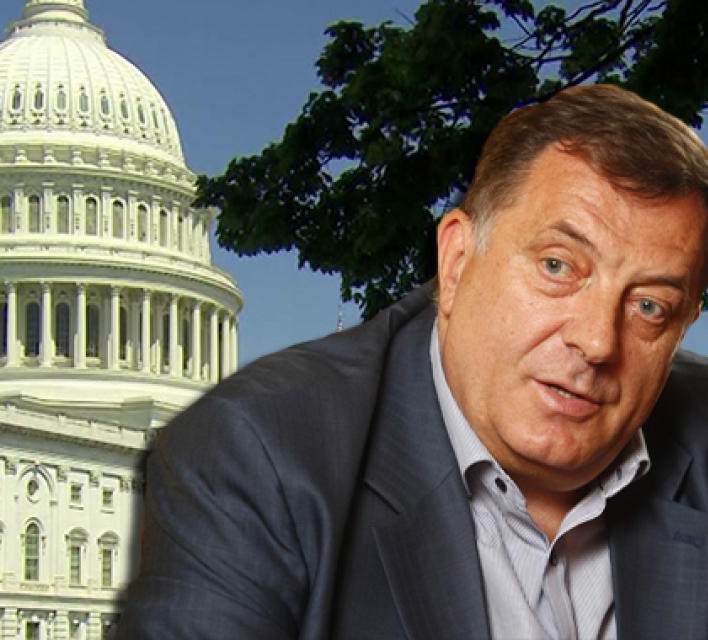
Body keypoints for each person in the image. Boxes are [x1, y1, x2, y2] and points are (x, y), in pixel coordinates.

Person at [116, 85, 708, 639]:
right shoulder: (256, 455)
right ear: (455, 262)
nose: (598, 342)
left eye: (650, 306)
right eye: (557, 267)